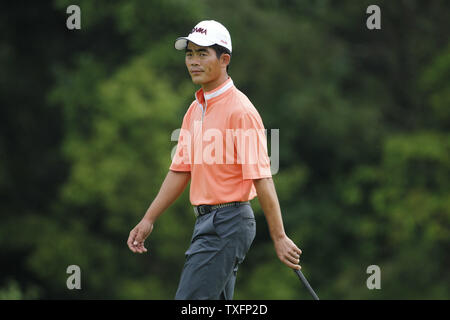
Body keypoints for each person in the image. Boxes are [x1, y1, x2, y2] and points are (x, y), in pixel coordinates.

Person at [127, 20, 302, 300]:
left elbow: (262, 178)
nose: (193, 62)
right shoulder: (195, 110)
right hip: (207, 223)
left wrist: (279, 237)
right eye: (189, 54)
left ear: (224, 60)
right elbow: (180, 170)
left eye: (202, 54)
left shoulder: (240, 111)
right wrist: (149, 218)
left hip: (229, 222)